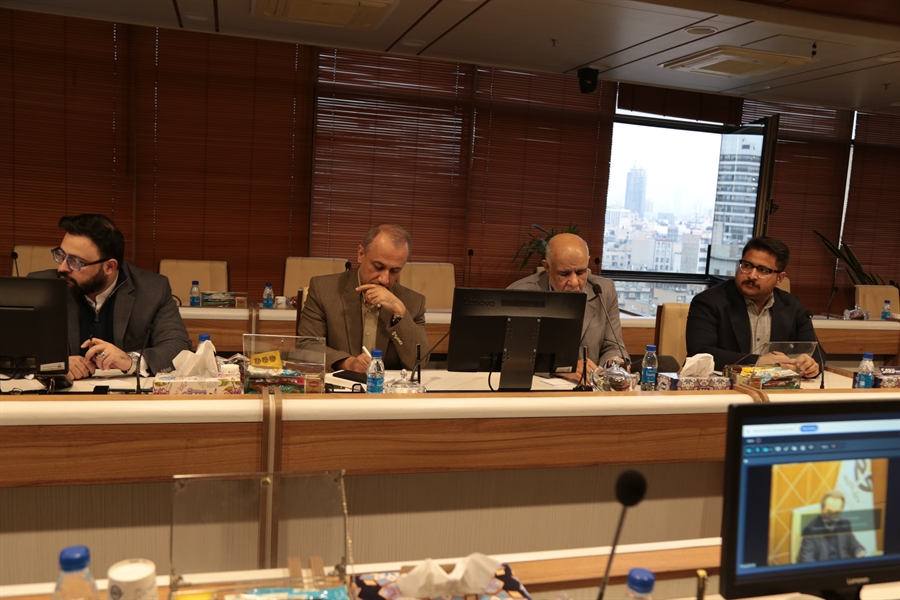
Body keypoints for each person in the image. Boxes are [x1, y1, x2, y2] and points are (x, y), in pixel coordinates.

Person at [29, 214, 191, 380]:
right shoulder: (41, 288)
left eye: (75, 262)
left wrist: (131, 361)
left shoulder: (152, 289)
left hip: (124, 394)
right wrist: (53, 364)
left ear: (109, 266)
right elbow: (14, 352)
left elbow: (178, 348)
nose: (62, 268)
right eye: (61, 255)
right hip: (62, 393)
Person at [298, 224, 429, 373]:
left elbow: (419, 363)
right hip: (339, 383)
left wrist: (399, 314)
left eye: (395, 271)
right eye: (378, 267)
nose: (385, 279)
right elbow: (305, 347)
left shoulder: (413, 302)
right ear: (361, 254)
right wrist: (347, 363)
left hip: (387, 387)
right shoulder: (323, 290)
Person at [686, 236, 822, 375]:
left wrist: (809, 365)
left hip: (778, 386)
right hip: (726, 384)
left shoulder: (792, 306)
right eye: (747, 266)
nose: (752, 275)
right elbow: (699, 352)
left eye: (763, 270)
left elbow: (817, 356)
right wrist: (758, 362)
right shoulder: (709, 301)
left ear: (779, 278)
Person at [508, 233, 627, 380]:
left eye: (581, 272)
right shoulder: (521, 294)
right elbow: (513, 355)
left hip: (589, 386)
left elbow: (613, 346)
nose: (574, 282)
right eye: (564, 274)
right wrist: (559, 366)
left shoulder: (604, 291)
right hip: (538, 386)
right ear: (547, 267)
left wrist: (613, 363)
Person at [797, 490, 866, 563]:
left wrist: (860, 553)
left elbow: (856, 547)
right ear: (822, 509)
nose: (832, 517)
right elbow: (807, 560)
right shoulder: (810, 530)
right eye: (829, 512)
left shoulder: (844, 524)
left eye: (836, 513)